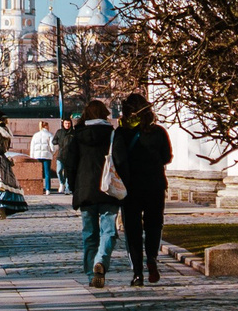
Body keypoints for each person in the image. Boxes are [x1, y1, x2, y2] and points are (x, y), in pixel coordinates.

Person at [112, 93, 174, 286]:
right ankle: (152, 259)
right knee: (154, 224)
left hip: (131, 188)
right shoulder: (158, 132)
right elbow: (167, 156)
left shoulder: (122, 133)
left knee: (132, 229)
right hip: (155, 184)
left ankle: (137, 272)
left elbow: (119, 160)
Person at [57, 98, 120, 287]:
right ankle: (101, 259)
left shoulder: (77, 136)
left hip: (85, 189)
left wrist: (74, 185)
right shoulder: (112, 135)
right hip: (108, 189)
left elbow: (70, 163)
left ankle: (91, 273)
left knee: (89, 234)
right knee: (109, 230)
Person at [27, 119, 56, 194]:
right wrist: (52, 153)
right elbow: (52, 147)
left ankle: (37, 188)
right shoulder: (50, 135)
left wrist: (32, 156)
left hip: (37, 156)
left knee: (38, 173)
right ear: (46, 126)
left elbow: (32, 146)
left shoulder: (35, 135)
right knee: (47, 173)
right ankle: (47, 189)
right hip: (47, 156)